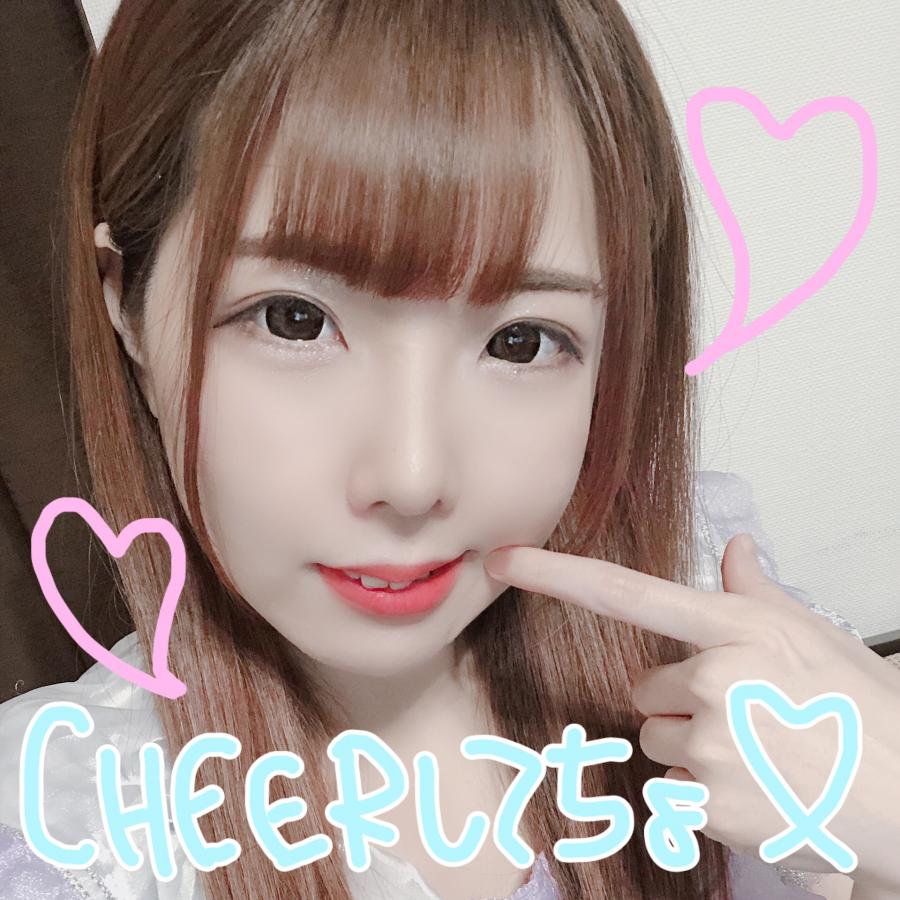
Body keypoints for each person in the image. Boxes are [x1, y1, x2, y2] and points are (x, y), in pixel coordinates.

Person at [1, 2, 898, 898]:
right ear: (127, 306)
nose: (412, 476)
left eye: (521, 341)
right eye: (293, 319)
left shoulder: (700, 608)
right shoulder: (74, 838)